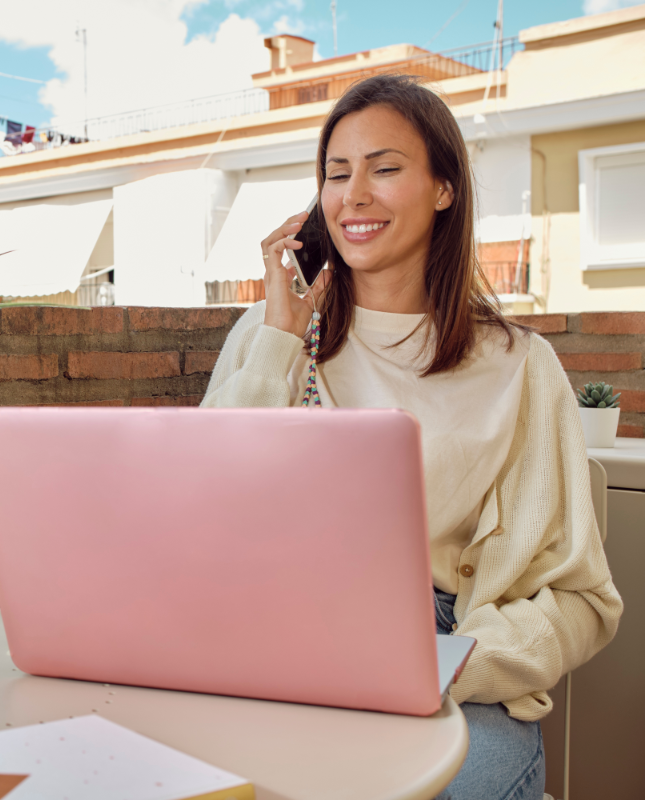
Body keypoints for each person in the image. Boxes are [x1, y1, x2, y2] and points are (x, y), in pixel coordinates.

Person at [201, 74, 622, 800]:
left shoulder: (520, 366)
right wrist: (276, 337)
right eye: (337, 173)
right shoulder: (268, 335)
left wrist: (448, 663)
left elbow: (581, 600)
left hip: (445, 636)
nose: (353, 195)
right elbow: (202, 513)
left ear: (443, 189)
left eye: (385, 168)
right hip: (279, 626)